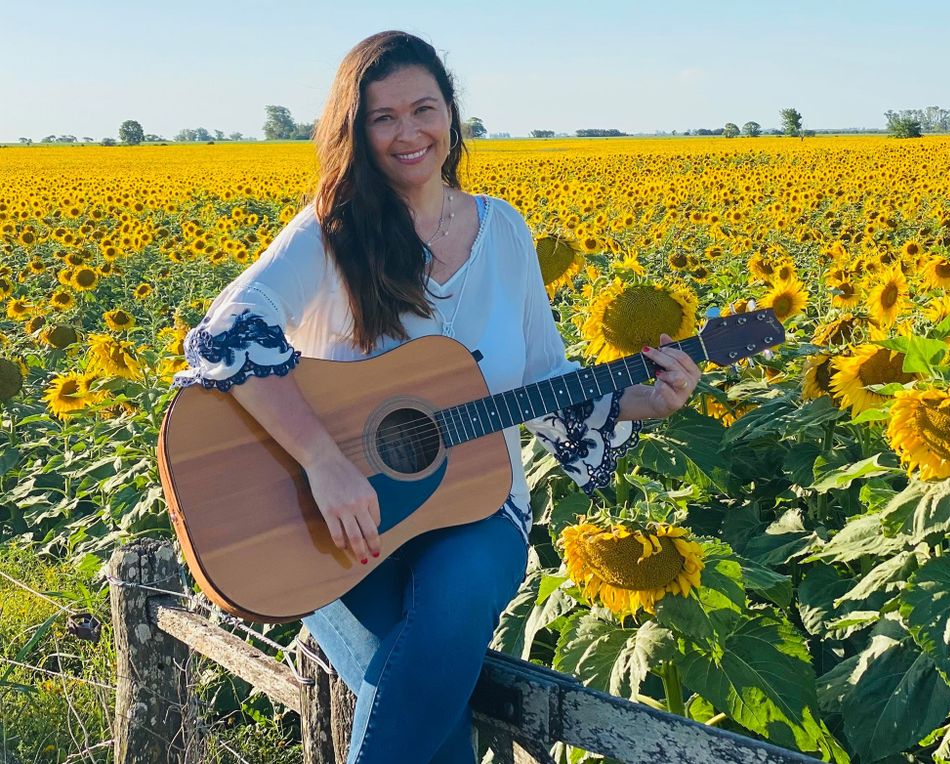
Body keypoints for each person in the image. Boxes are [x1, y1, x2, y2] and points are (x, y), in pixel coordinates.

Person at [171, 30, 700, 764]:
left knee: (444, 625)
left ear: (452, 115)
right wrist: (324, 461)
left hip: (480, 505)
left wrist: (649, 401)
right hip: (337, 516)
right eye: (382, 117)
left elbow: (541, 385)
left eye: (423, 108)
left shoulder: (506, 232)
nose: (407, 132)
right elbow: (226, 332)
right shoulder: (331, 234)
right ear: (355, 132)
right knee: (429, 694)